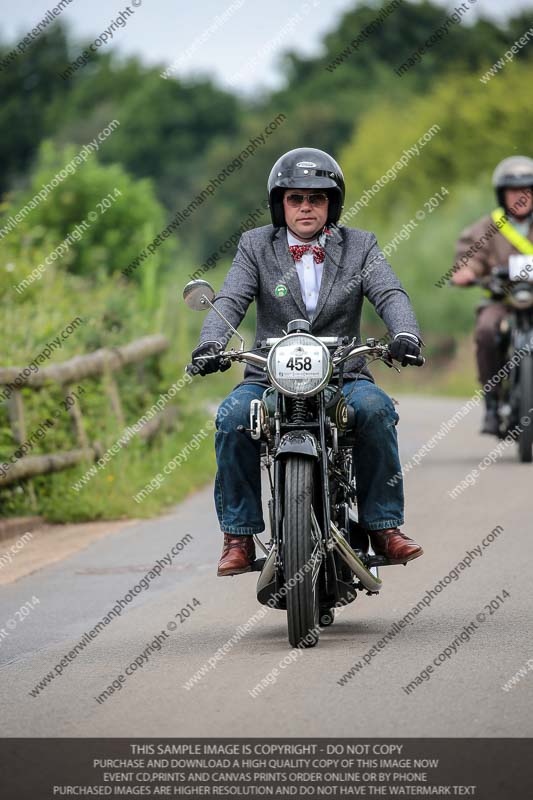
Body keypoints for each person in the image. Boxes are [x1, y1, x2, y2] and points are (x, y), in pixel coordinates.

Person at [191, 147, 424, 576]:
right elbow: (231, 299)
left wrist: (406, 333)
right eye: (295, 198)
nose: (305, 207)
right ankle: (238, 535)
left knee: (375, 410)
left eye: (316, 199)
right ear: (280, 204)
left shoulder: (360, 245)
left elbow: (390, 293)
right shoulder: (255, 245)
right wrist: (211, 343)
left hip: (342, 373)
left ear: (331, 204)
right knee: (232, 417)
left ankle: (382, 527)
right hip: (269, 375)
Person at [451, 156, 533, 434]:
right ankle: (492, 405)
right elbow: (468, 258)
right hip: (502, 301)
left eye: (527, 191)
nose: (520, 197)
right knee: (486, 329)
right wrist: (467, 272)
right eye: (514, 191)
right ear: (501, 194)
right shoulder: (486, 227)